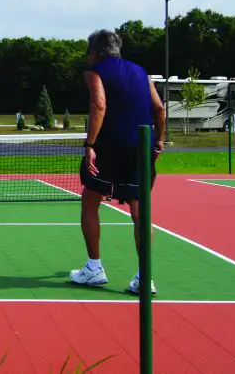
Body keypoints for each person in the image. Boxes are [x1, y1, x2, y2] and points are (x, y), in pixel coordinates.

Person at [70, 30, 166, 294]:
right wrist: (158, 141)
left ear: (95, 52)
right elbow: (159, 109)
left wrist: (89, 145)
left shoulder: (95, 71)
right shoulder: (141, 73)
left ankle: (94, 268)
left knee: (90, 200)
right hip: (140, 148)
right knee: (140, 212)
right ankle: (145, 278)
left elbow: (98, 105)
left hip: (110, 148)